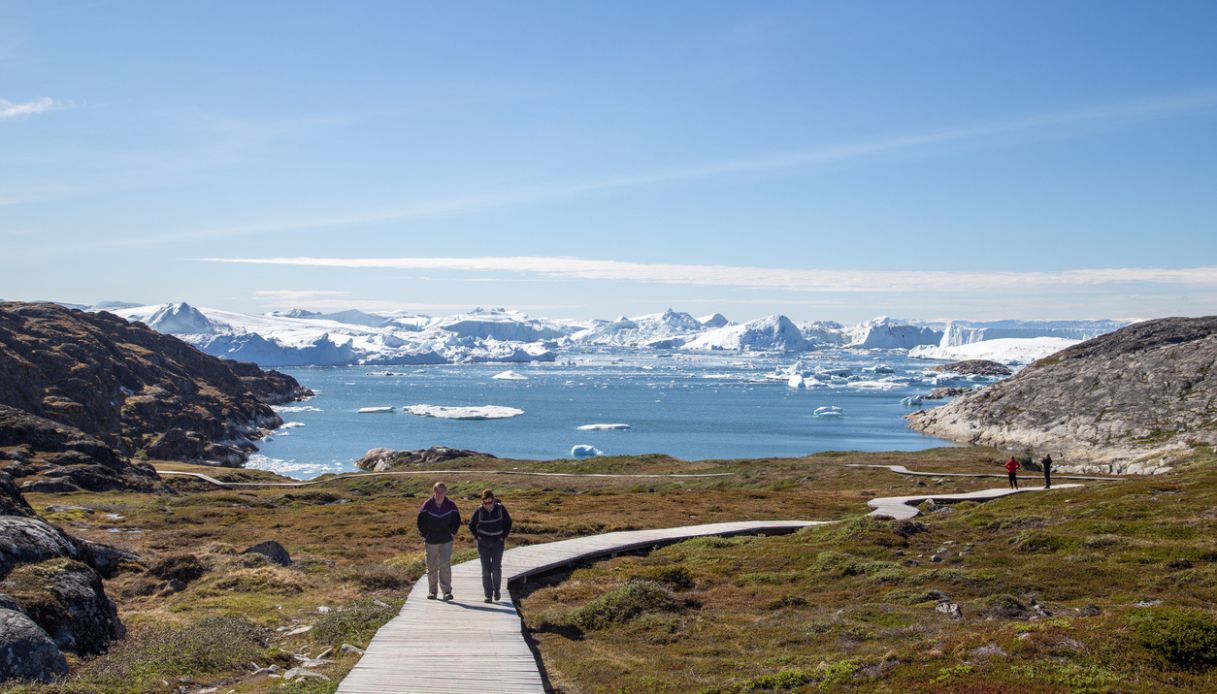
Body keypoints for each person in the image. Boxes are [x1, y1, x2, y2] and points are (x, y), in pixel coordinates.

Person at [417, 482, 461, 601]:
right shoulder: (427, 505)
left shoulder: (451, 505)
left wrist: (452, 532)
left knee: (445, 564)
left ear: (445, 492)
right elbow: (420, 521)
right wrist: (426, 534)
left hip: (446, 539)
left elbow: (457, 520)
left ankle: (447, 591)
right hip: (431, 540)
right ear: (434, 491)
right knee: (431, 566)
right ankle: (432, 591)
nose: (439, 494)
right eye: (437, 491)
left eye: (441, 492)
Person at [468, 488, 512, 603]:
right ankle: (488, 595)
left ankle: (496, 590)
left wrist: (503, 536)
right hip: (483, 544)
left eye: (489, 502)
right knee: (486, 570)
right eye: (485, 503)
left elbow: (508, 523)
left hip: (498, 542)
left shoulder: (501, 509)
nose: (487, 505)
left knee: (496, 569)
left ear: (493, 500)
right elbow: (471, 525)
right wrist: (477, 536)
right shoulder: (479, 511)